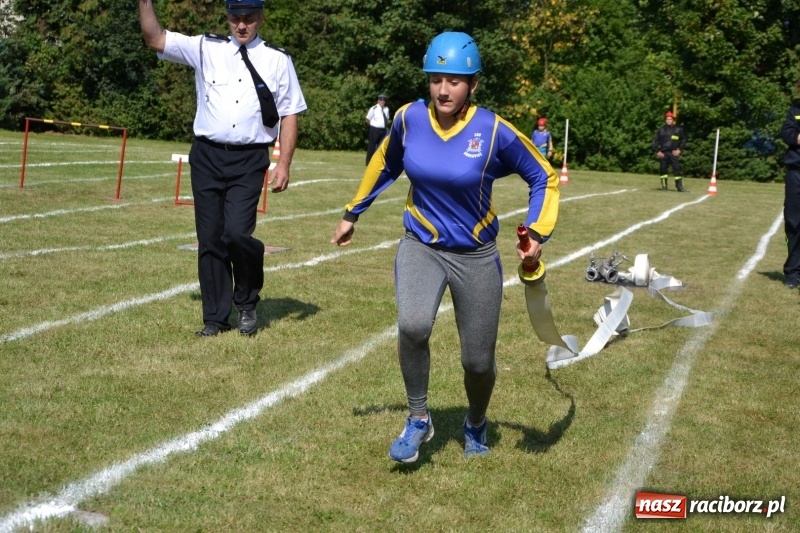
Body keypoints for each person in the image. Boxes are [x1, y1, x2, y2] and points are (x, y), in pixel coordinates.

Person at [331, 32, 559, 463]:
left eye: (455, 81)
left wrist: (537, 233)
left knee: (477, 362)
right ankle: (419, 418)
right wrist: (352, 212)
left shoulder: (493, 131)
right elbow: (384, 162)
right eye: (436, 79)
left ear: (473, 85)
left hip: (475, 256)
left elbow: (542, 176)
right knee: (413, 325)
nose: (443, 89)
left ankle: (475, 421)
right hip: (421, 244)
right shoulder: (408, 118)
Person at [138, 0, 307, 336]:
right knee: (211, 239)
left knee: (237, 235)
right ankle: (215, 318)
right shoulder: (205, 46)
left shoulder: (277, 59)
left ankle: (246, 302)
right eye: (235, 18)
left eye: (247, 19)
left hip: (250, 158)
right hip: (207, 156)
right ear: (227, 18)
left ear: (260, 18)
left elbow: (290, 113)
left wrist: (283, 163)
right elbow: (155, 39)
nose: (241, 25)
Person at [780, 98, 800, 289]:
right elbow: (786, 132)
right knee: (794, 222)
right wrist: (798, 138)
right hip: (796, 172)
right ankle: (793, 273)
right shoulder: (795, 108)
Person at [652, 110, 686, 192]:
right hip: (663, 153)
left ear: (673, 120)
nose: (669, 121)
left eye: (670, 119)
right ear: (665, 120)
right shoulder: (661, 130)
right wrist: (657, 151)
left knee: (677, 169)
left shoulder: (678, 130)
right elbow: (655, 141)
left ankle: (679, 187)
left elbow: (683, 140)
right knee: (663, 169)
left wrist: (679, 149)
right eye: (667, 119)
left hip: (673, 153)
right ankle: (664, 186)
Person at [365, 94, 390, 165]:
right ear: (378, 100)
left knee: (381, 146)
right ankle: (369, 162)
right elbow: (367, 119)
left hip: (383, 130)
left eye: (384, 100)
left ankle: (380, 162)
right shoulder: (374, 108)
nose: (382, 101)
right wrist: (372, 125)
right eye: (381, 100)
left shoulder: (386, 109)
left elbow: (386, 119)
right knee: (372, 146)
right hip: (375, 129)